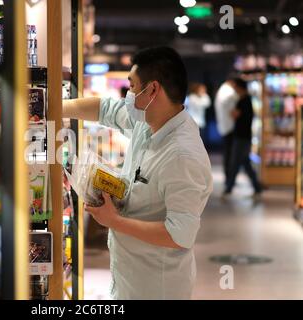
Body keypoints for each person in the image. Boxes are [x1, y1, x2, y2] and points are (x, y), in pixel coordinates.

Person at [63, 47, 213, 299]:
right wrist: (52, 108)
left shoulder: (182, 156)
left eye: (132, 87)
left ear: (152, 90)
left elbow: (179, 235)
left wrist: (114, 221)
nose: (128, 95)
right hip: (128, 279)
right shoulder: (149, 123)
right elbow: (105, 109)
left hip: (156, 287)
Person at [223, 78, 262, 197]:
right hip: (244, 136)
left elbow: (235, 114)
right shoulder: (246, 100)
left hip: (241, 137)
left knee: (235, 162)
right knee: (245, 163)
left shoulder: (243, 101)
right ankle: (256, 187)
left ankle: (229, 189)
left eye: (235, 87)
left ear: (240, 87)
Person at [214, 79, 239, 190]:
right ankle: (229, 178)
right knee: (230, 154)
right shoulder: (228, 92)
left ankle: (229, 178)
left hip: (225, 126)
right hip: (229, 127)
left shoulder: (222, 91)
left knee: (228, 154)